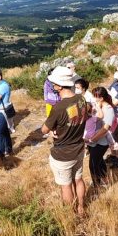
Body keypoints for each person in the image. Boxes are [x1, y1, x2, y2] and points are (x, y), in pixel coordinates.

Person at [42, 66, 87, 217]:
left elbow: (44, 130)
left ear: (59, 86)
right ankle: (81, 208)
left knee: (66, 186)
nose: (53, 85)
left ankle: (71, 214)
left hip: (63, 153)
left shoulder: (58, 107)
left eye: (54, 83)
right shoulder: (81, 99)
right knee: (79, 179)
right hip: (79, 148)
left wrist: (54, 130)